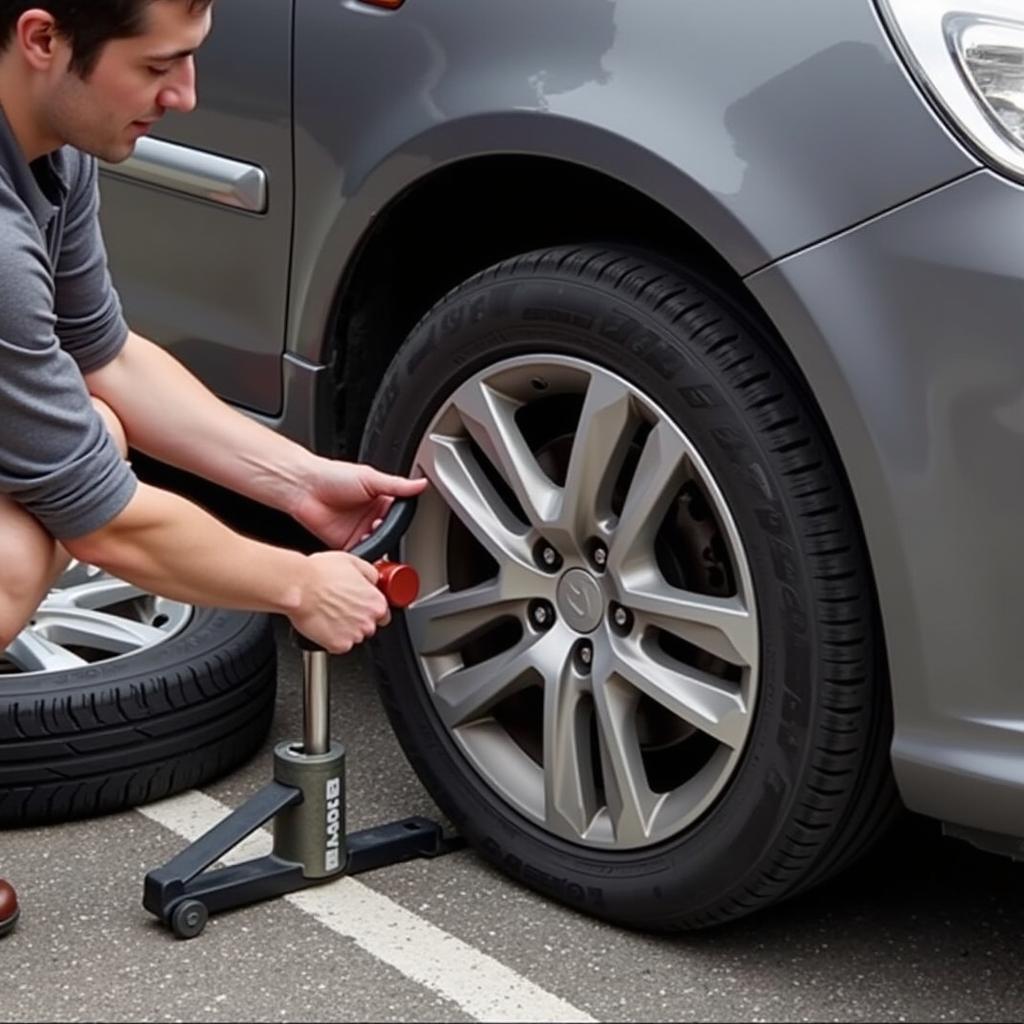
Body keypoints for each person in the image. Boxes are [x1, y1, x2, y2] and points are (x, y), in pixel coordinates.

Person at [0, 0, 427, 937]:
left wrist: (296, 481)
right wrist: (297, 584)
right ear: (42, 40)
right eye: (159, 66)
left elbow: (103, 355)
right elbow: (102, 520)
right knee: (14, 549)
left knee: (93, 430)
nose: (186, 97)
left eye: (193, 62)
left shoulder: (49, 153)